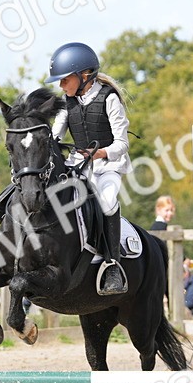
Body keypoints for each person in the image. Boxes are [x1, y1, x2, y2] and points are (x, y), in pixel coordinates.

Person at [47, 42, 131, 295]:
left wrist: (99, 153)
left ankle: (112, 264)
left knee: (107, 202)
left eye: (64, 80)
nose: (61, 85)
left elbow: (122, 144)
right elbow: (56, 134)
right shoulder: (68, 101)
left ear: (84, 75)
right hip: (77, 165)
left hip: (108, 166)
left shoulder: (109, 98)